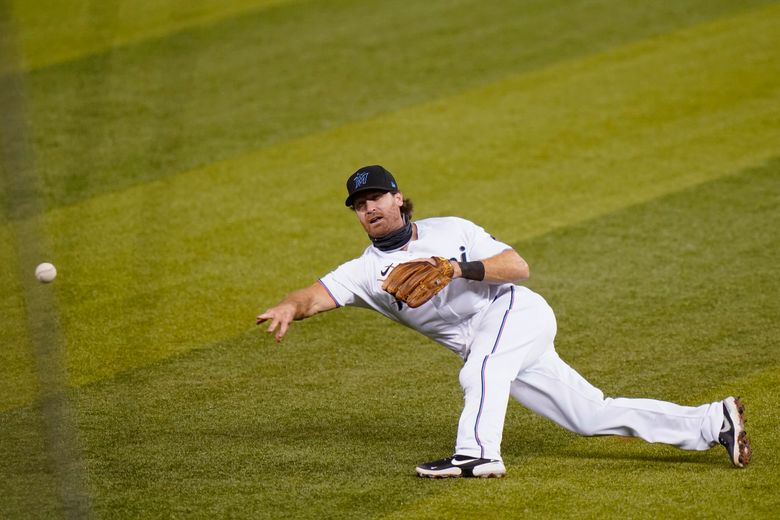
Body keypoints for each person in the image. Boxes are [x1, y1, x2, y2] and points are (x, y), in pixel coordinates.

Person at [256, 165, 752, 478]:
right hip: (487, 342)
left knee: (481, 371)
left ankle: (476, 454)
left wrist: (457, 268)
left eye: (378, 199)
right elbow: (313, 296)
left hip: (514, 311)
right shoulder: (363, 272)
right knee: (587, 415)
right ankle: (712, 421)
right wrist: (287, 307)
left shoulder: (452, 230)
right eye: (361, 206)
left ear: (398, 198)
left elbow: (518, 267)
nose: (370, 209)